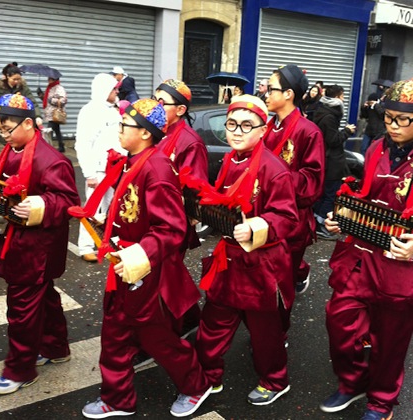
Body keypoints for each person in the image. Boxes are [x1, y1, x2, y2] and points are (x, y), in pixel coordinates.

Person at [81, 98, 213, 419]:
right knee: (115, 333)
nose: (119, 129)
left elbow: (172, 228)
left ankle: (196, 384)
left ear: (144, 133)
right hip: (125, 264)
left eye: (125, 125)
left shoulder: (156, 167)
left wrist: (139, 253)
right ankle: (118, 399)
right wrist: (109, 226)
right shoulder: (132, 160)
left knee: (157, 338)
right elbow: (133, 212)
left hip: (146, 271)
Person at [194, 95, 299, 406]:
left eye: (246, 125)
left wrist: (256, 227)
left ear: (262, 130)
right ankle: (208, 376)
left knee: (264, 331)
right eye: (231, 124)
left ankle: (275, 380)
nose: (237, 132)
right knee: (213, 321)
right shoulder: (230, 160)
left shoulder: (274, 168)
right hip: (228, 260)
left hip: (261, 264)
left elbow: (287, 217)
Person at [320, 78, 413, 420]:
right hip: (362, 254)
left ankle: (381, 401)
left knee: (390, 341)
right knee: (339, 319)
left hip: (401, 267)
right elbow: (364, 197)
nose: (393, 125)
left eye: (403, 119)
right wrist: (340, 218)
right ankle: (353, 381)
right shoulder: (377, 147)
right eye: (388, 117)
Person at [0, 94, 79, 395]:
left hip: (38, 245)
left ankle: (20, 368)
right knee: (46, 297)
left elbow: (68, 201)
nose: (4, 135)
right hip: (20, 236)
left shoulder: (52, 160)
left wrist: (40, 205)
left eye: (8, 128)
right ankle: (54, 346)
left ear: (29, 123)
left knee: (21, 306)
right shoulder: (12, 150)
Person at [262, 64, 324, 296]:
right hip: (265, 214)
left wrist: (275, 179)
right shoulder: (267, 128)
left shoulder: (309, 131)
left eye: (271, 89)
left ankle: (277, 329)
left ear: (288, 94)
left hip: (292, 220)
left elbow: (312, 183)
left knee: (281, 283)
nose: (266, 94)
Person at [154, 79, 208, 338]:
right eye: (155, 99)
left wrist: (187, 219)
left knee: (164, 275)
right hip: (153, 217)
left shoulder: (189, 141)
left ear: (181, 110)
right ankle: (191, 319)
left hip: (173, 221)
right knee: (166, 275)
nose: (157, 105)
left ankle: (168, 332)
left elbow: (195, 187)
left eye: (163, 102)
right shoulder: (155, 131)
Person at [75, 73, 124, 263]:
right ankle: (85, 246)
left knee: (115, 208)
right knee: (92, 209)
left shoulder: (114, 109)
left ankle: (112, 243)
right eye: (114, 88)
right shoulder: (90, 111)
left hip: (116, 168)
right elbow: (83, 144)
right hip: (98, 170)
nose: (117, 91)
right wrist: (89, 173)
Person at [311, 84, 354, 240]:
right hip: (331, 162)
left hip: (326, 160)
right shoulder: (330, 116)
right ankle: (321, 225)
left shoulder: (323, 111)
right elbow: (333, 140)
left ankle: (316, 223)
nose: (343, 99)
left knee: (324, 193)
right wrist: (347, 131)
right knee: (330, 194)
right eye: (342, 96)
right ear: (337, 97)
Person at [42, 76, 68, 152]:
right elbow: (47, 100)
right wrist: (41, 95)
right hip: (51, 113)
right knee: (57, 130)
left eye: (50, 79)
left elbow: (63, 100)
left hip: (54, 114)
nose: (48, 80)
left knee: (48, 131)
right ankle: (61, 146)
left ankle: (47, 148)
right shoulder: (50, 88)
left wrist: (52, 100)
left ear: (54, 79)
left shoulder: (59, 88)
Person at [360, 91, 386, 155]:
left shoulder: (382, 105)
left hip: (378, 132)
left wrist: (376, 106)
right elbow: (364, 116)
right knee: (363, 147)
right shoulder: (369, 107)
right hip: (369, 130)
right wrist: (363, 108)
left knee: (375, 149)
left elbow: (383, 115)